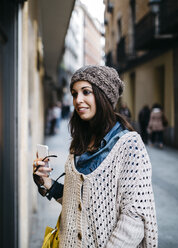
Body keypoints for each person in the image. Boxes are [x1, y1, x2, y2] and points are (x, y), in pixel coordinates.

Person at [32, 65, 158, 247]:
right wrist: (46, 182)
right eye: (74, 94)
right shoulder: (80, 142)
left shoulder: (129, 144)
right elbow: (76, 201)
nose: (77, 100)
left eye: (86, 92)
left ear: (103, 96)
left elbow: (134, 218)